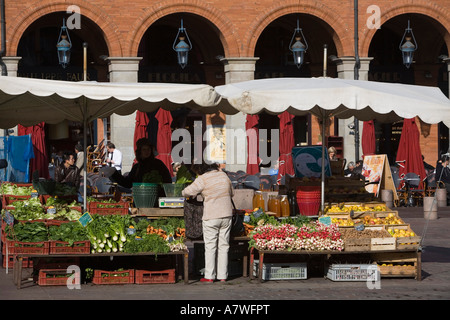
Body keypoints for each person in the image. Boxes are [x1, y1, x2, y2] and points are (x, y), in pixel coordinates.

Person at [182, 162, 234, 283]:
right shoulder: (223, 176)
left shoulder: (203, 178)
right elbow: (232, 193)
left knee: (210, 246)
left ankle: (209, 276)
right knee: (224, 246)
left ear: (199, 170)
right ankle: (222, 276)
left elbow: (187, 191)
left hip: (211, 216)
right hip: (226, 215)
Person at [106, 138, 172, 190]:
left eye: (148, 149)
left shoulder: (158, 164)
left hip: (156, 199)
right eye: (144, 149)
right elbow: (128, 183)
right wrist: (114, 174)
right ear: (140, 152)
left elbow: (168, 181)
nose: (147, 152)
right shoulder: (137, 167)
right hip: (140, 200)